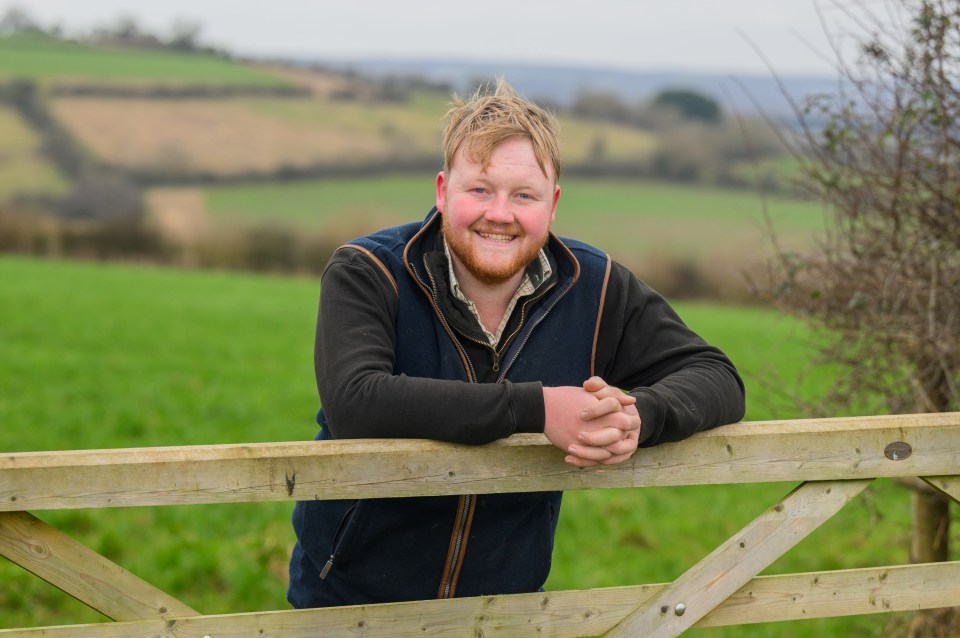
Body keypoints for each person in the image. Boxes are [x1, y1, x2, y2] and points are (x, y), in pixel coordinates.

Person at [288, 79, 745, 608]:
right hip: (350, 604)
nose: (499, 214)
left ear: (551, 204)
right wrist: (541, 407)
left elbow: (717, 376)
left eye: (523, 195)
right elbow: (356, 402)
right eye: (479, 189)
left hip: (506, 610)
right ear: (442, 191)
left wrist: (641, 416)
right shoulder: (369, 271)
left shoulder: (594, 286)